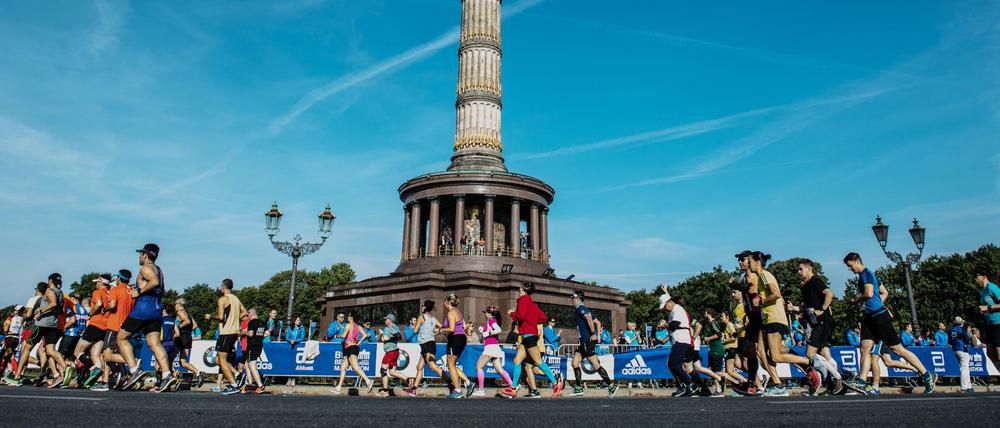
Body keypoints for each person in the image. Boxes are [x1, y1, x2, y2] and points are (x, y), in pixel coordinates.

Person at [843, 252, 936, 394]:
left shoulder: (866, 274)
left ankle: (927, 374)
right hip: (869, 317)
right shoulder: (870, 275)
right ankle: (861, 381)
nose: (850, 269)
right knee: (864, 348)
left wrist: (857, 300)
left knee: (898, 349)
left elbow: (868, 293)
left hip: (879, 317)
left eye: (850, 266)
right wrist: (874, 304)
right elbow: (884, 292)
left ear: (856, 261)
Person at [748, 251, 821, 396]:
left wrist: (761, 301)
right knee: (760, 352)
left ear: (757, 262)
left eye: (750, 261)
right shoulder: (761, 276)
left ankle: (810, 363)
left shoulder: (764, 274)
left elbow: (776, 294)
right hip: (768, 318)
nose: (749, 264)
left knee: (775, 356)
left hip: (775, 318)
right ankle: (777, 384)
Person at [117, 244, 174, 392]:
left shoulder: (145, 268)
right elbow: (161, 287)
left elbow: (153, 282)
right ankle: (167, 374)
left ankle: (134, 369)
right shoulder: (159, 270)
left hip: (142, 310)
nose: (139, 256)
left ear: (145, 255)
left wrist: (139, 291)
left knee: (121, 338)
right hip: (156, 311)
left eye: (141, 254)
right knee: (154, 344)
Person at [785, 259, 844, 395]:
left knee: (810, 354)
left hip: (823, 322)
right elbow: (807, 306)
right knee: (823, 353)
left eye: (801, 269)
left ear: (809, 269)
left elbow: (829, 294)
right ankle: (834, 381)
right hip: (817, 324)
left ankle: (838, 378)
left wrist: (822, 309)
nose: (799, 272)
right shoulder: (805, 286)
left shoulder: (815, 281)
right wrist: (793, 308)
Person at [500, 283, 564, 399]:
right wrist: (533, 320)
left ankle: (556, 383)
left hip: (529, 336)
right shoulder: (532, 304)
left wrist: (511, 314)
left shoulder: (523, 300)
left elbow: (521, 316)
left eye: (520, 289)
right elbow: (543, 318)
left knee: (539, 362)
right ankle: (513, 388)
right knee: (517, 360)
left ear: (524, 291)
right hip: (528, 336)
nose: (518, 291)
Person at [728, 252, 763, 396]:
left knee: (768, 353)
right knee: (751, 354)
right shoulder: (745, 276)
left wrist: (735, 285)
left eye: (742, 260)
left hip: (759, 316)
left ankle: (808, 366)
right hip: (752, 317)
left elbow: (752, 290)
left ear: (750, 261)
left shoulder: (752, 275)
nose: (740, 263)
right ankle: (752, 383)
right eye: (739, 260)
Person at [93, 270, 134, 391]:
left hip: (114, 325)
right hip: (126, 326)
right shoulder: (131, 291)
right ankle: (107, 381)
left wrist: (105, 309)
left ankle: (133, 363)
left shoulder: (115, 289)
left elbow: (112, 305)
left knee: (106, 355)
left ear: (119, 278)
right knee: (109, 354)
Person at [206, 278, 245, 395]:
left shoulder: (223, 299)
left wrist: (210, 317)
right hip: (234, 332)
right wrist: (234, 319)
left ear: (223, 287)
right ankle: (237, 374)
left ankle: (233, 384)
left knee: (221, 360)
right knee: (219, 359)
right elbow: (245, 312)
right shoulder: (236, 299)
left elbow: (221, 317)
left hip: (226, 332)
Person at [659, 288, 698, 397]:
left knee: (674, 364)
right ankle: (683, 385)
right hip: (679, 340)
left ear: (669, 302)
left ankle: (690, 384)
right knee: (672, 364)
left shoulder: (677, 309)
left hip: (682, 340)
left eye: (665, 306)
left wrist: (665, 325)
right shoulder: (673, 311)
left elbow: (674, 325)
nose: (665, 309)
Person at [406, 300, 447, 397]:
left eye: (422, 305)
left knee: (433, 366)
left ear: (425, 307)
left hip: (427, 344)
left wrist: (411, 334)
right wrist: (435, 332)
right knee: (419, 367)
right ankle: (414, 389)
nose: (421, 307)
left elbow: (415, 330)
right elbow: (442, 327)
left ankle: (451, 384)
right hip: (429, 344)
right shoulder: (433, 318)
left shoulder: (421, 317)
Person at [473, 305, 514, 397]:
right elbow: (489, 331)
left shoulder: (492, 320)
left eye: (486, 313)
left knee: (479, 367)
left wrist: (488, 333)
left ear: (489, 313)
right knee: (499, 369)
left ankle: (481, 390)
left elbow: (498, 330)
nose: (485, 314)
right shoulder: (490, 321)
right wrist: (483, 330)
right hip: (494, 346)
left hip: (490, 347)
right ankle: (513, 387)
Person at [332, 312, 373, 394]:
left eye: (349, 316)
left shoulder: (348, 325)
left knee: (355, 367)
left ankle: (368, 381)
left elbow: (343, 336)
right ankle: (338, 387)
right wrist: (358, 343)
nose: (347, 317)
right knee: (343, 367)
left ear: (351, 317)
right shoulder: (358, 327)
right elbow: (365, 335)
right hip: (353, 347)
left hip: (350, 348)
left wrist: (337, 336)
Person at [440, 294, 470, 398]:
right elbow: (464, 326)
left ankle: (457, 390)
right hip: (461, 338)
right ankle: (468, 383)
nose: (443, 303)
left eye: (444, 301)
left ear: (448, 302)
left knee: (451, 365)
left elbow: (452, 329)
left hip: (455, 338)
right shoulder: (458, 312)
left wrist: (440, 330)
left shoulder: (451, 313)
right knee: (451, 364)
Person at [173, 298, 204, 387]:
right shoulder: (188, 313)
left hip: (181, 337)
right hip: (188, 337)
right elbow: (195, 325)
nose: (175, 307)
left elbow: (187, 321)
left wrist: (178, 328)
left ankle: (172, 374)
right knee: (183, 362)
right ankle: (198, 373)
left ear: (179, 305)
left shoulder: (180, 312)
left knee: (167, 357)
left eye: (175, 305)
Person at [975, 267, 1000, 365]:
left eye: (976, 276)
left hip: (998, 323)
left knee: (998, 354)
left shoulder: (992, 287)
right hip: (989, 325)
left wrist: (988, 308)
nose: (975, 279)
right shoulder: (982, 292)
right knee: (989, 353)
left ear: (984, 277)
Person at [377, 313, 407, 394]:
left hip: (391, 351)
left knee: (383, 370)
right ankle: (408, 380)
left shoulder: (392, 326)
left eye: (386, 319)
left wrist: (388, 338)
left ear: (390, 320)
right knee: (391, 372)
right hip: (393, 351)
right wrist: (381, 336)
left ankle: (385, 390)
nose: (385, 320)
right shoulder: (387, 328)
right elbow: (385, 338)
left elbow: (399, 337)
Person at [720, 310, 748, 389]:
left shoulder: (729, 325)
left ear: (727, 317)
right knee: (740, 366)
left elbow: (734, 337)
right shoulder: (728, 325)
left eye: (722, 316)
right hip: (732, 349)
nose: (721, 318)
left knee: (729, 371)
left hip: (731, 349)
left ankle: (746, 381)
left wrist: (723, 341)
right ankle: (754, 379)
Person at [243, 309, 266, 393]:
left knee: (252, 367)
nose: (247, 316)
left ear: (251, 314)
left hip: (252, 346)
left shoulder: (252, 322)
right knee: (251, 365)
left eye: (248, 314)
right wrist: (259, 338)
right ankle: (252, 384)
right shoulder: (262, 322)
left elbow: (250, 334)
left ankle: (260, 386)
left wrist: (244, 332)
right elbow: (267, 333)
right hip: (259, 346)